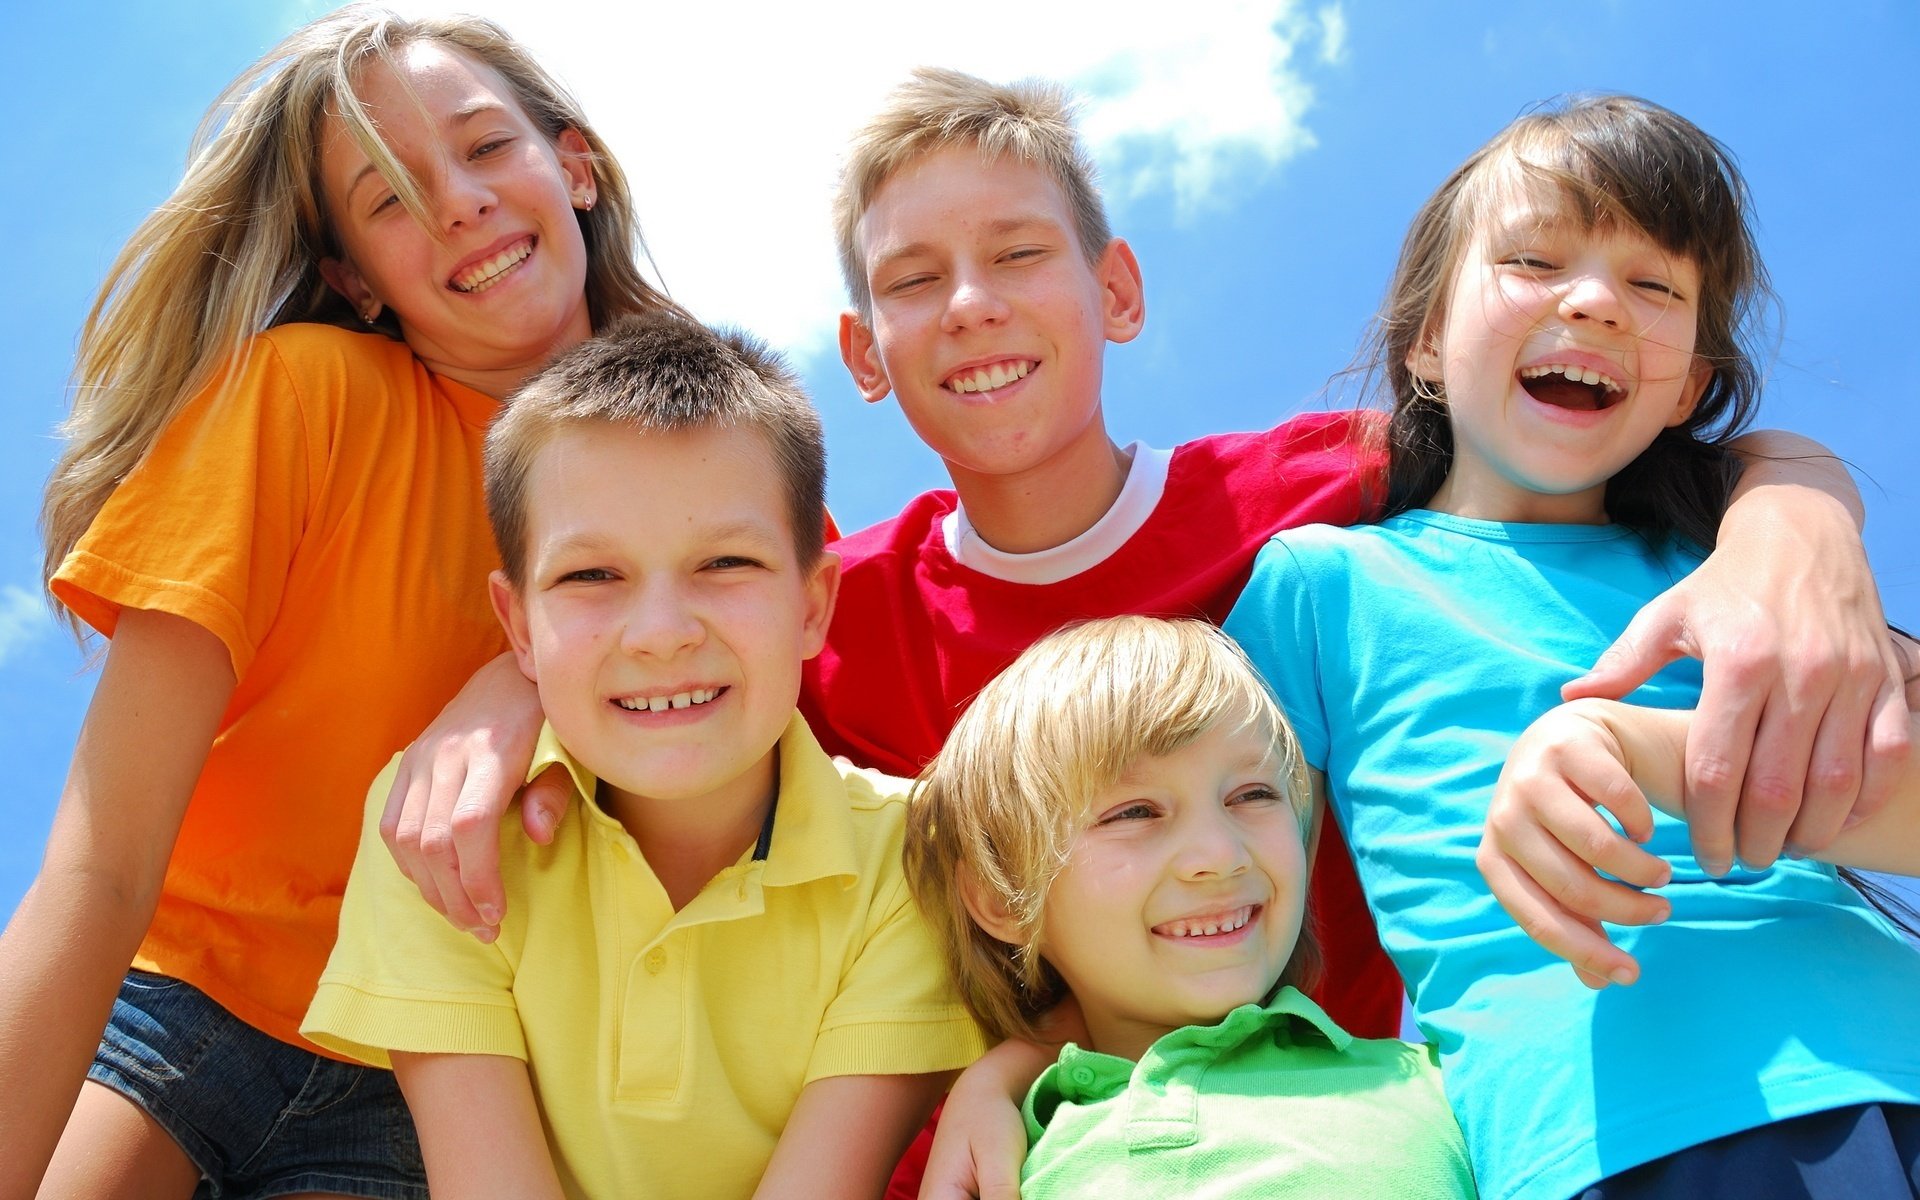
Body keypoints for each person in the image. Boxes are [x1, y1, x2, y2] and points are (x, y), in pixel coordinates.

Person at [380, 68, 1905, 1198]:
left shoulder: (1313, 498)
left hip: (1391, 1126)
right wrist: (496, 698)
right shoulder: (847, 604)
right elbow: (660, 615)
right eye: (915, 282)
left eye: (1020, 254)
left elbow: (1597, 452)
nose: (972, 305)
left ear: (1116, 288)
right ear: (863, 351)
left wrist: (1801, 514)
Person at [0, 7, 683, 1196]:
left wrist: (526, 677)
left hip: (438, 1071)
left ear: (573, 165)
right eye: (388, 198)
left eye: (484, 147)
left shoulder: (728, 476)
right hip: (178, 1004)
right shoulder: (298, 398)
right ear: (352, 283)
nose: (457, 203)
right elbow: (99, 869)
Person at [1222, 95, 1920, 1200]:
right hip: (1597, 1138)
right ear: (1427, 344)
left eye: (1653, 286)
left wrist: (1642, 744)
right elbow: (1206, 872)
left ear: (1689, 386)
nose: (1594, 301)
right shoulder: (1321, 584)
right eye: (1536, 259)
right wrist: (1022, 1059)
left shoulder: (1733, 561)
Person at [301, 312, 984, 1199]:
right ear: (517, 627)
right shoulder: (439, 830)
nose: (661, 634)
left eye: (726, 563)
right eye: (592, 577)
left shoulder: (914, 862)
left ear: (815, 606)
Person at [903, 615, 1476, 1198]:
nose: (1221, 854)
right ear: (1003, 896)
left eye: (1253, 795)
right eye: (1135, 812)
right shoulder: (999, 1165)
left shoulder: (1453, 1085)